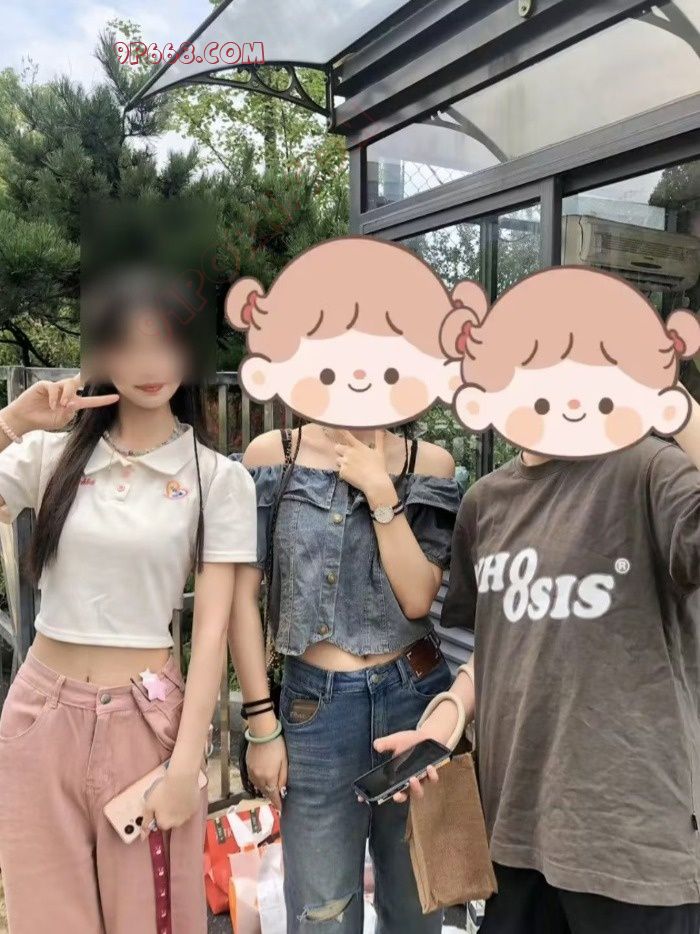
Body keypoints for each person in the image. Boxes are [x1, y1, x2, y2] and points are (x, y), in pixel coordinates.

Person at [378, 269, 700, 933]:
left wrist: (675, 405)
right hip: (516, 831)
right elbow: (502, 647)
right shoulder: (485, 503)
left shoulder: (648, 468)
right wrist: (446, 720)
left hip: (631, 845)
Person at [0, 268, 258, 934]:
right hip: (39, 715)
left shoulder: (217, 478)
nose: (149, 364)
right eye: (128, 343)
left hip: (147, 725)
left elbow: (213, 630)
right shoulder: (51, 457)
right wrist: (13, 422)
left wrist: (186, 764)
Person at [225, 237, 464, 934]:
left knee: (416, 906)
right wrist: (260, 723)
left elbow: (418, 598)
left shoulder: (429, 462)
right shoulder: (275, 456)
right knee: (321, 911)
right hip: (313, 708)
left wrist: (383, 493)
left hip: (414, 693)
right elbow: (242, 598)